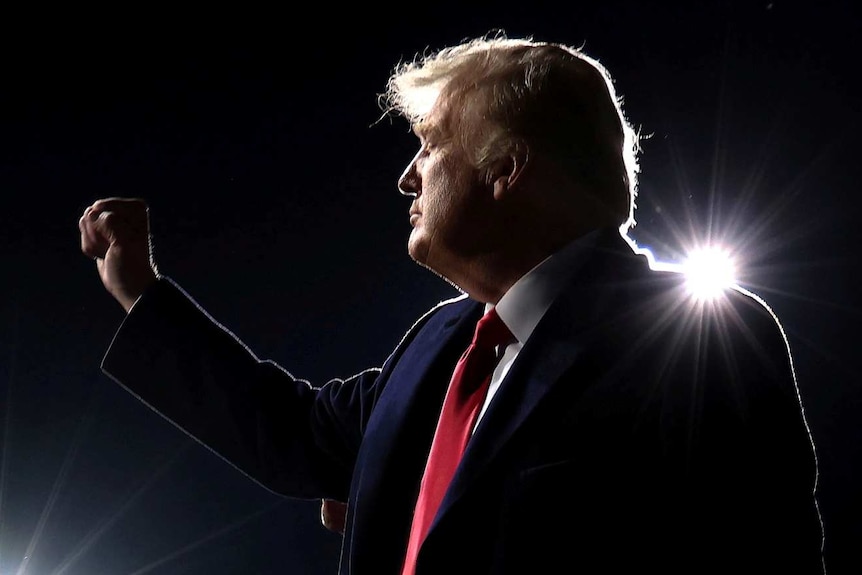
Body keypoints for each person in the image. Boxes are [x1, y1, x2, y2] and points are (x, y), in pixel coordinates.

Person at [78, 33, 825, 574]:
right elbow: (299, 433)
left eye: (430, 144)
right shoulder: (438, 343)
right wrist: (142, 293)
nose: (408, 177)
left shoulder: (701, 339)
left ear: (505, 168)